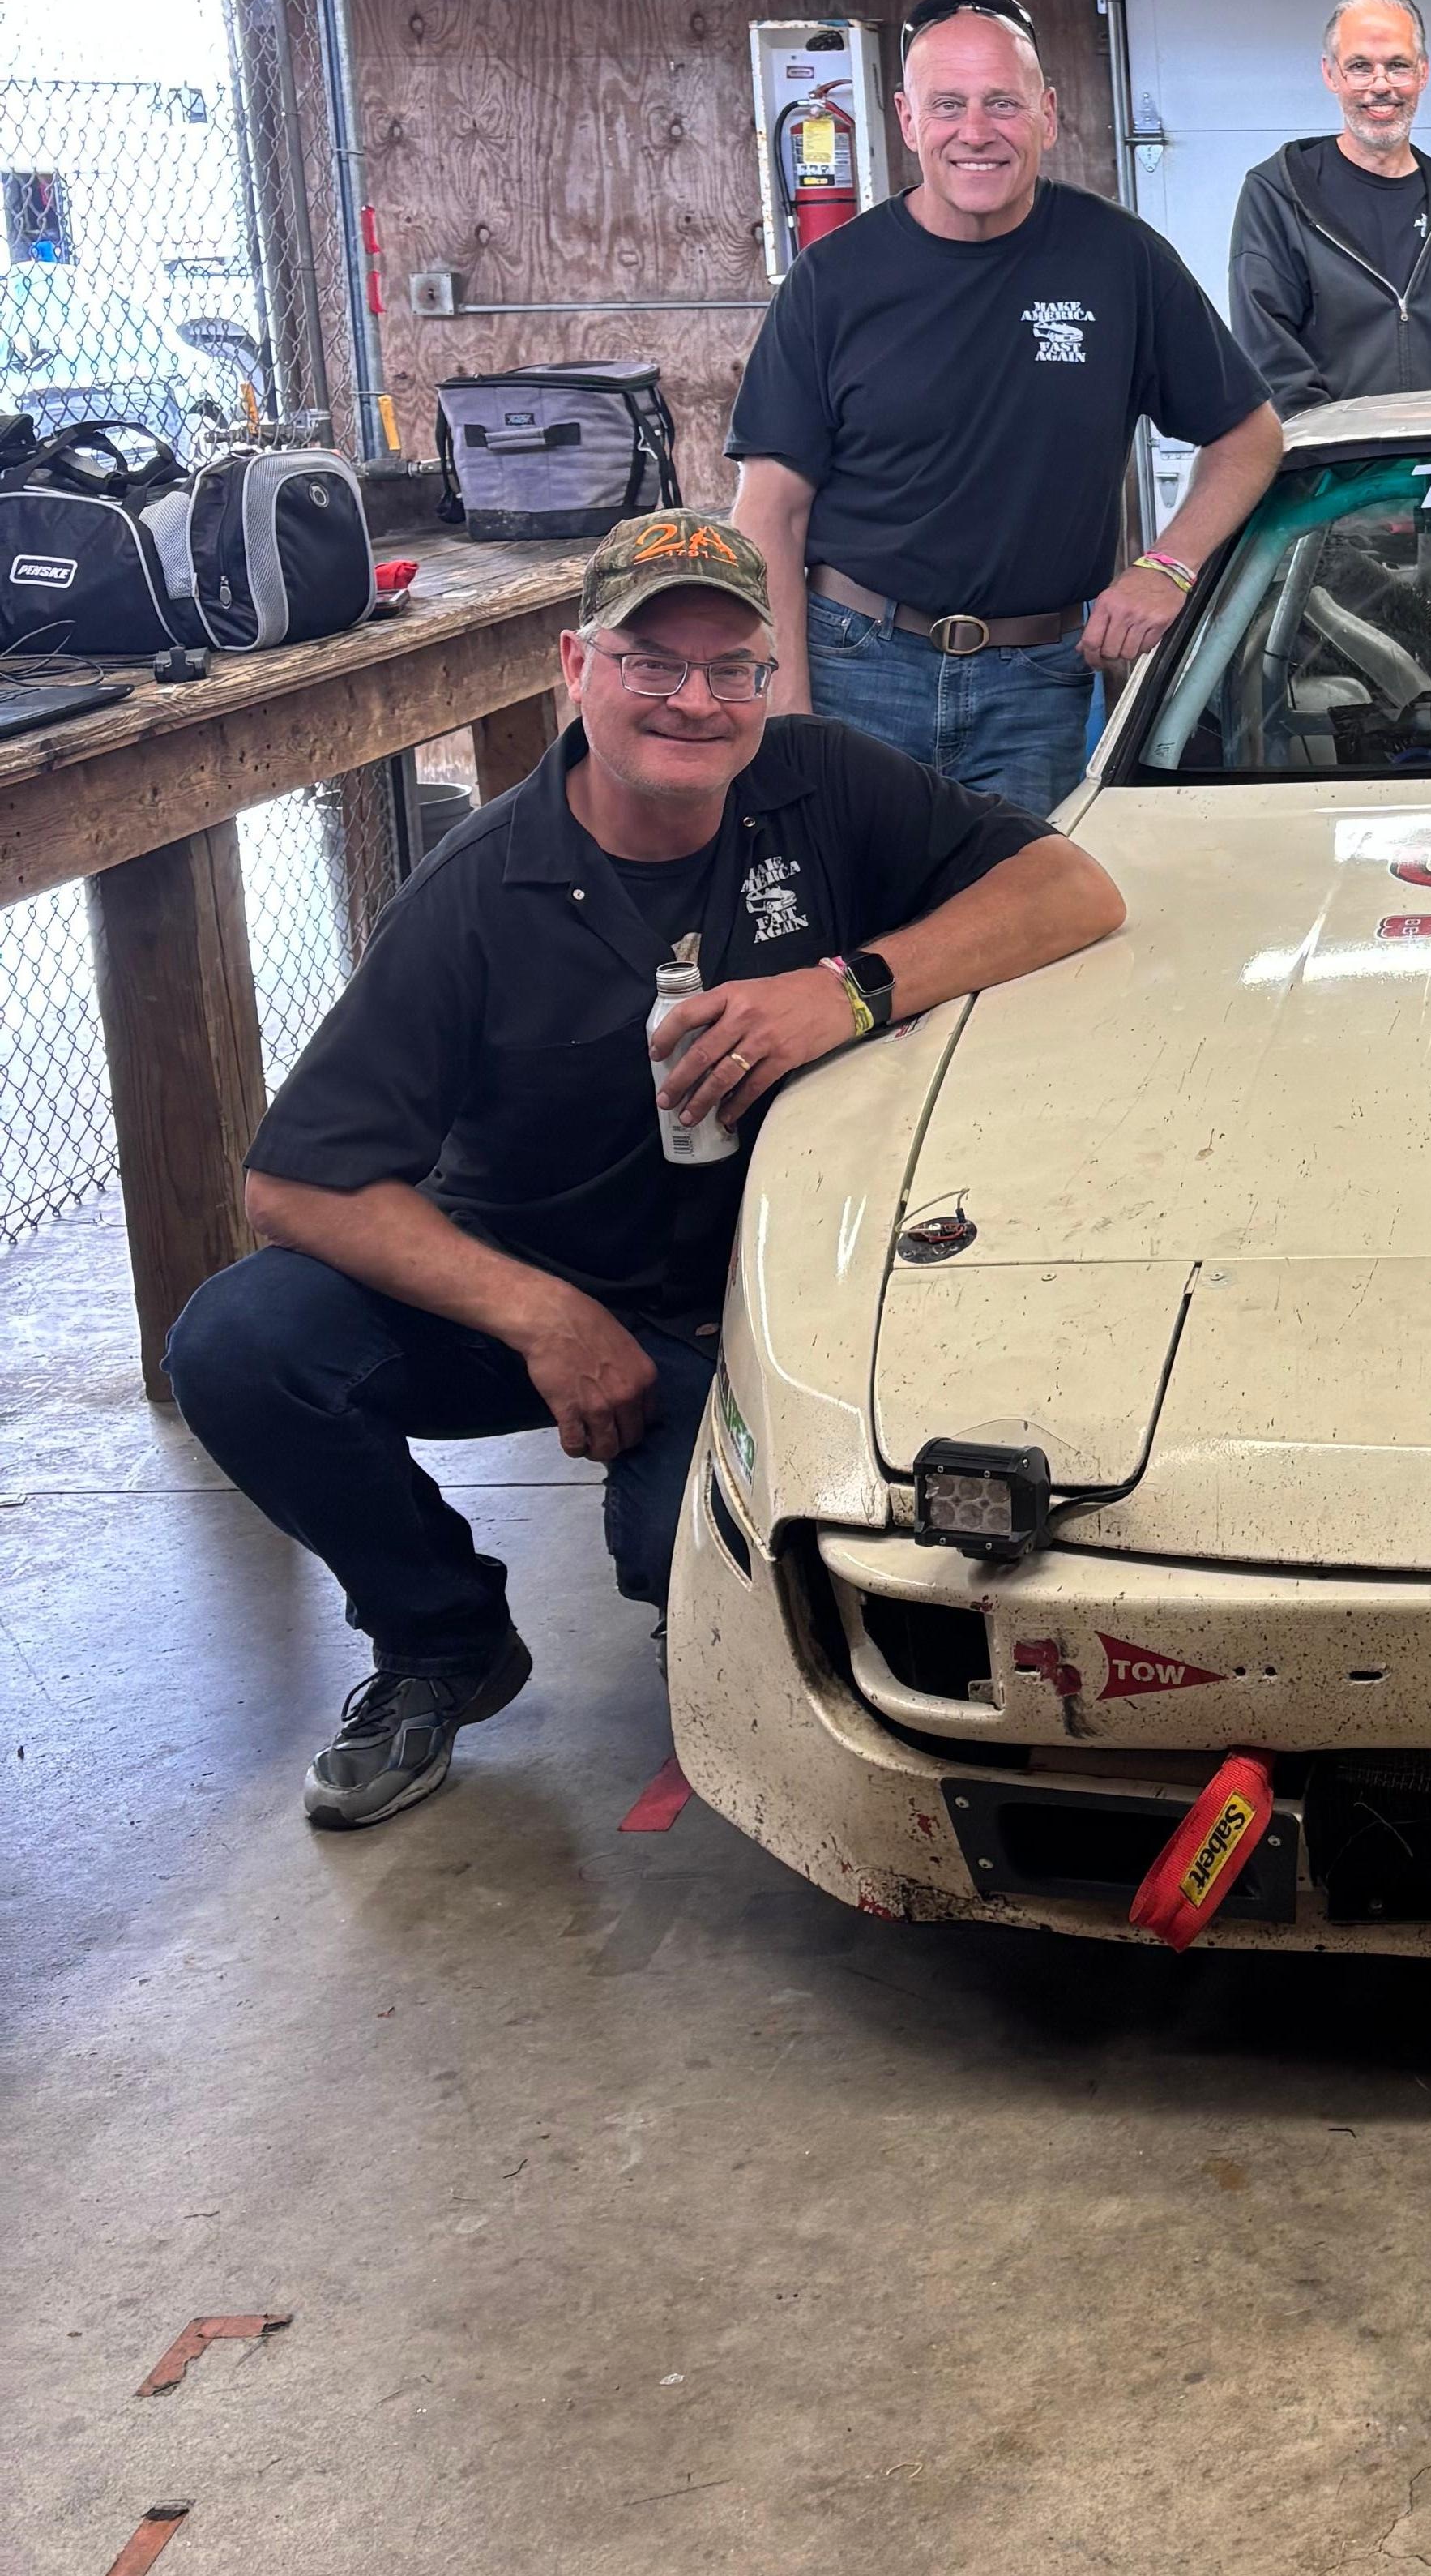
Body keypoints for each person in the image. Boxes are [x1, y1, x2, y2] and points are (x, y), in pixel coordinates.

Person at [166, 513, 1126, 1831]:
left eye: (731, 666)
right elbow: (297, 1183)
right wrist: (543, 1317)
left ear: (770, 677)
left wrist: (846, 988)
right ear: (576, 666)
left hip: (775, 1313)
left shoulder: (825, 783)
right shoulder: (476, 894)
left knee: (704, 1580)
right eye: (651, 661)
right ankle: (439, 1639)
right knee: (239, 1343)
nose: (695, 700)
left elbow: (1075, 890)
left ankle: (701, 1567)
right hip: (542, 1289)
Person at [729, 0, 1282, 813]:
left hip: (1037, 685)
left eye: (1003, 104)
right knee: (856, 891)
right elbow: (769, 513)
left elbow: (1250, 435)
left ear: (1047, 115)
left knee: (1022, 895)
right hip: (856, 667)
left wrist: (1169, 564)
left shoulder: (1118, 259)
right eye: (947, 105)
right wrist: (785, 712)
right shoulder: (832, 280)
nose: (976, 132)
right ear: (907, 120)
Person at [1228, 0, 1431, 411]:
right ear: (1331, 74)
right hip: (1325, 450)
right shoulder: (1277, 195)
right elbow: (1270, 357)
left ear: (1423, 73)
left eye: (1398, 66)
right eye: (1360, 67)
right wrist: (1338, 444)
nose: (1381, 85)